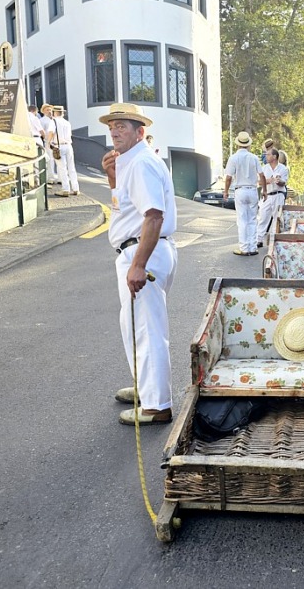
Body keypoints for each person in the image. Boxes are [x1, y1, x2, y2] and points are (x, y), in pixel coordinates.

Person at [100, 102, 178, 425]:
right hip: (137, 251)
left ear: (140, 132)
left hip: (141, 252)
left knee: (147, 329)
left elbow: (153, 216)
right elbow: (126, 208)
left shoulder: (142, 162)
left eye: (123, 126)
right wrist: (112, 177)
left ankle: (157, 405)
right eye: (112, 126)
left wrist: (137, 264)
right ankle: (146, 389)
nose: (115, 131)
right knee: (134, 325)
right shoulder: (129, 162)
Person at [224, 131, 267, 256]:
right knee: (253, 219)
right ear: (248, 144)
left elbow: (228, 177)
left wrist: (226, 191)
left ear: (237, 144)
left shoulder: (233, 158)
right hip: (253, 190)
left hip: (240, 190)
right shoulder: (254, 158)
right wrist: (264, 190)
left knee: (242, 219)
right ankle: (253, 247)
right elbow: (262, 175)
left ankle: (244, 247)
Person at [256, 148, 289, 247]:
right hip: (267, 194)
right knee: (263, 217)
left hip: (278, 194)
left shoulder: (283, 168)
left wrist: (279, 181)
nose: (266, 156)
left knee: (276, 218)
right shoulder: (264, 168)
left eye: (268, 154)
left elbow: (284, 182)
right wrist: (269, 180)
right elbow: (260, 182)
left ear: (274, 156)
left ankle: (273, 240)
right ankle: (259, 239)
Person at [47, 105, 79, 197]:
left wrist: (48, 142)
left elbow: (51, 132)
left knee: (62, 168)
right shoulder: (67, 122)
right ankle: (75, 188)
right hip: (68, 145)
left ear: (54, 113)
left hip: (58, 146)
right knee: (71, 167)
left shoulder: (53, 121)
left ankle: (65, 189)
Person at [39, 103, 57, 184]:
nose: (49, 111)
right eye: (47, 110)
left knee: (58, 159)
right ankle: (51, 177)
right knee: (50, 160)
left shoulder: (54, 119)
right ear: (43, 111)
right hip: (48, 142)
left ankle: (58, 177)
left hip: (57, 142)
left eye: (50, 109)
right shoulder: (42, 121)